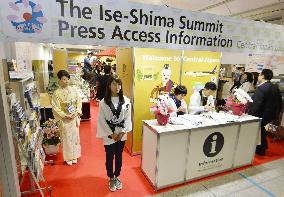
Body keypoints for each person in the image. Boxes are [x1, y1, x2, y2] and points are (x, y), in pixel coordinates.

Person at [96, 74, 132, 192]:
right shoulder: (103, 102)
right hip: (109, 134)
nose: (117, 86)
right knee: (110, 156)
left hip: (121, 134)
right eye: (114, 84)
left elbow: (127, 118)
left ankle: (117, 176)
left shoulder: (126, 101)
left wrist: (122, 132)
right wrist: (111, 134)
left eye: (119, 84)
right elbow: (101, 120)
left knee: (119, 156)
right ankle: (111, 177)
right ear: (109, 85)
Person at [51, 70, 82, 165]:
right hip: (65, 118)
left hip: (73, 117)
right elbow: (55, 107)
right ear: (59, 80)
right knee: (66, 138)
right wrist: (64, 115)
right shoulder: (56, 93)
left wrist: (77, 112)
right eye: (64, 79)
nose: (66, 81)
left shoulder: (74, 90)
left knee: (75, 137)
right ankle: (68, 157)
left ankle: (75, 155)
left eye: (67, 79)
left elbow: (79, 101)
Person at [248, 69, 282, 156]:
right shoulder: (274, 86)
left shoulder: (261, 88)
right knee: (262, 130)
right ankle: (262, 147)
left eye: (259, 74)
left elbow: (256, 105)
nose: (258, 76)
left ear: (263, 76)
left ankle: (260, 149)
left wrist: (251, 116)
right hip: (270, 115)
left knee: (259, 131)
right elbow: (279, 101)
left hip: (261, 114)